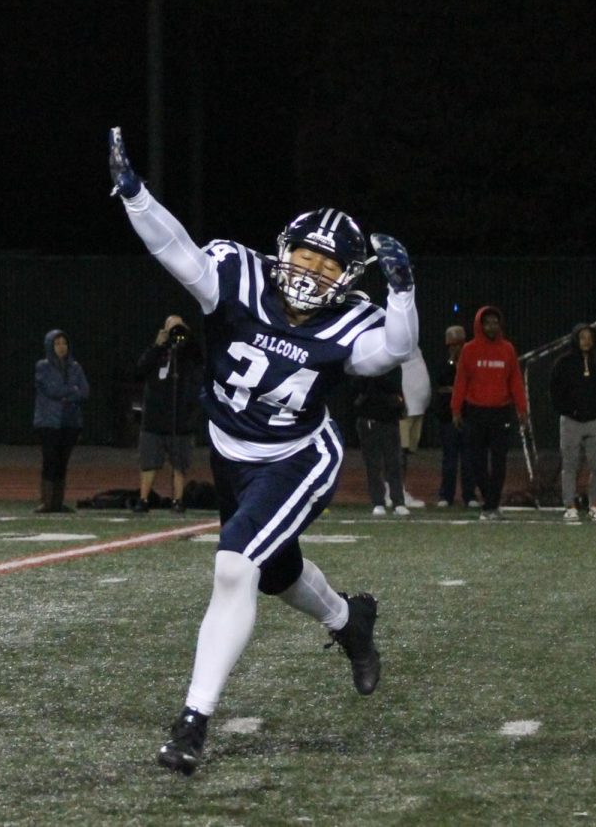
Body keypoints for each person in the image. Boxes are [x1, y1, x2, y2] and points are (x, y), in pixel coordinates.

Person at [107, 127, 418, 776]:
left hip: (296, 457)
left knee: (234, 565)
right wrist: (135, 196)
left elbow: (392, 350)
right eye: (307, 256)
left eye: (330, 265)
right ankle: (348, 619)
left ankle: (193, 722)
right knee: (276, 574)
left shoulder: (351, 320)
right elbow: (179, 253)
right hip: (228, 452)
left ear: (349, 278)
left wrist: (406, 293)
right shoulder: (236, 273)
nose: (313, 271)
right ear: (284, 251)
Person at [451, 305, 528, 521]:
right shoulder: (469, 350)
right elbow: (461, 382)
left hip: (501, 412)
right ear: (480, 325)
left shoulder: (508, 349)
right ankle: (490, 500)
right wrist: (456, 409)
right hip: (475, 412)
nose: (492, 326)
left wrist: (522, 409)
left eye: (495, 322)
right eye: (487, 323)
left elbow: (515, 382)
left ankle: (491, 506)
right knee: (476, 461)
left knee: (499, 461)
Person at [131, 315, 204, 513]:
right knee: (149, 461)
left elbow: (199, 357)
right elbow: (140, 369)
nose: (175, 332)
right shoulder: (157, 351)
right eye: (171, 327)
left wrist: (186, 334)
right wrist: (157, 345)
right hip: (155, 417)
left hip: (180, 418)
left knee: (180, 462)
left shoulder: (188, 352)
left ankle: (178, 500)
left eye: (178, 327)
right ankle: (144, 498)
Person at [550, 324, 596, 523]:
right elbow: (555, 391)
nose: (586, 340)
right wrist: (568, 411)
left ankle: (594, 504)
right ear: (575, 339)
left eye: (589, 337)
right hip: (571, 421)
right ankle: (570, 506)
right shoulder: (563, 363)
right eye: (582, 337)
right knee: (570, 465)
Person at [33, 329, 89, 512]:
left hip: (70, 422)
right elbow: (52, 390)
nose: (61, 347)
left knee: (63, 462)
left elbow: (84, 391)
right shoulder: (42, 366)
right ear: (50, 346)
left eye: (64, 343)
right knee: (50, 460)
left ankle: (57, 502)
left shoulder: (76, 367)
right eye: (57, 343)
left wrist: (69, 393)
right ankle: (47, 502)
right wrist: (71, 391)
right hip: (48, 422)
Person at [351, 368, 409, 517]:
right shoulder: (363, 365)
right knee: (373, 464)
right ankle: (378, 502)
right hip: (368, 419)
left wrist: (374, 377)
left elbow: (393, 385)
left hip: (389, 419)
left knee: (394, 462)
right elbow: (357, 385)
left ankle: (398, 501)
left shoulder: (393, 366)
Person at [433, 325, 476, 507]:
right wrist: (452, 363)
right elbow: (441, 380)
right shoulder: (443, 362)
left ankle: (470, 495)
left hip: (468, 415)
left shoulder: (471, 360)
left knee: (469, 459)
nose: (456, 348)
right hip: (447, 417)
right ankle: (446, 496)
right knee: (449, 459)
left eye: (458, 344)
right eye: (452, 345)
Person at [396, 349, 430, 508]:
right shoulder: (396, 345)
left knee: (406, 452)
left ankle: (398, 489)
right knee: (399, 451)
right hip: (405, 408)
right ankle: (395, 491)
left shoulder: (413, 345)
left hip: (417, 408)